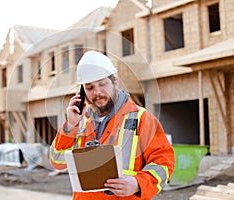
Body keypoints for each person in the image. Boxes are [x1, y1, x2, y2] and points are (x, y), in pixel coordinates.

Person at [49, 50, 174, 199]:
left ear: (115, 82)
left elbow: (164, 163)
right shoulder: (79, 122)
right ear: (82, 92)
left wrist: (137, 183)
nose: (97, 92)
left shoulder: (142, 119)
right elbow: (57, 162)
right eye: (89, 88)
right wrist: (70, 125)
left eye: (102, 84)